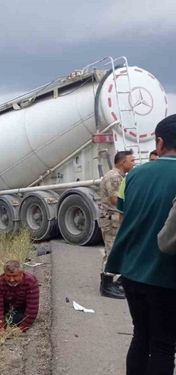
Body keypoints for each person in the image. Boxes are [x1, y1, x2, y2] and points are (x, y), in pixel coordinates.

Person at [105, 114, 176, 375]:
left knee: (141, 336)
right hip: (167, 277)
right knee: (163, 345)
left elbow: (123, 218)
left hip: (132, 271)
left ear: (159, 143)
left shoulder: (133, 176)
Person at [98, 150, 135, 299]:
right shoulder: (114, 177)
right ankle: (106, 286)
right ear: (122, 162)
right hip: (112, 219)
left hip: (114, 218)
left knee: (112, 250)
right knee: (112, 251)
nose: (134, 163)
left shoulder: (119, 176)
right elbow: (116, 200)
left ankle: (110, 283)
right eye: (131, 161)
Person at [0, 260, 40, 333]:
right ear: (4, 274)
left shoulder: (30, 281)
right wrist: (0, 327)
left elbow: (32, 308)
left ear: (21, 274)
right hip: (6, 307)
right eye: (8, 276)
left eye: (14, 276)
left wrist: (22, 328)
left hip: (21, 308)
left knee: (14, 321)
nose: (11, 280)